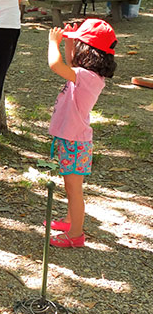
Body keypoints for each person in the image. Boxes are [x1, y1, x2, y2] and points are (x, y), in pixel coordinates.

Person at [47, 19, 117, 248]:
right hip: (73, 140)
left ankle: (76, 235)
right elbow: (69, 62)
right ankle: (70, 221)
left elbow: (56, 65)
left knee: (74, 190)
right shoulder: (88, 74)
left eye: (78, 45)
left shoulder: (86, 77)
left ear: (87, 51)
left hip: (75, 142)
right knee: (71, 186)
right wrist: (70, 38)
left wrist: (53, 43)